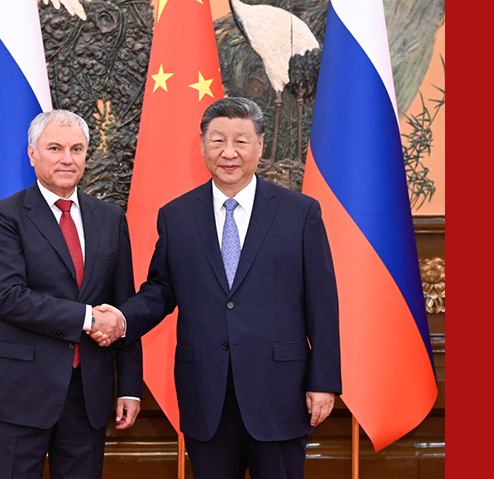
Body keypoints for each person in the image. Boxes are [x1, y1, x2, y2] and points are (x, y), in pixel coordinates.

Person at [94, 97, 341, 479]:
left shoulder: (300, 213)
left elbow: (322, 304)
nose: (229, 152)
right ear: (202, 145)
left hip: (279, 392)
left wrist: (323, 382)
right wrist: (123, 318)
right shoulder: (177, 216)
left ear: (260, 144)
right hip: (206, 394)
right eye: (218, 141)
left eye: (241, 141)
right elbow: (161, 290)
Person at [0, 109, 143, 479]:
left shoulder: (111, 218)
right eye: (55, 148)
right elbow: (9, 298)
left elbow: (123, 305)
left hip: (89, 393)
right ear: (32, 154)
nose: (68, 159)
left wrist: (130, 387)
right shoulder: (3, 218)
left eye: (76, 149)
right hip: (20, 392)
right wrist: (89, 318)